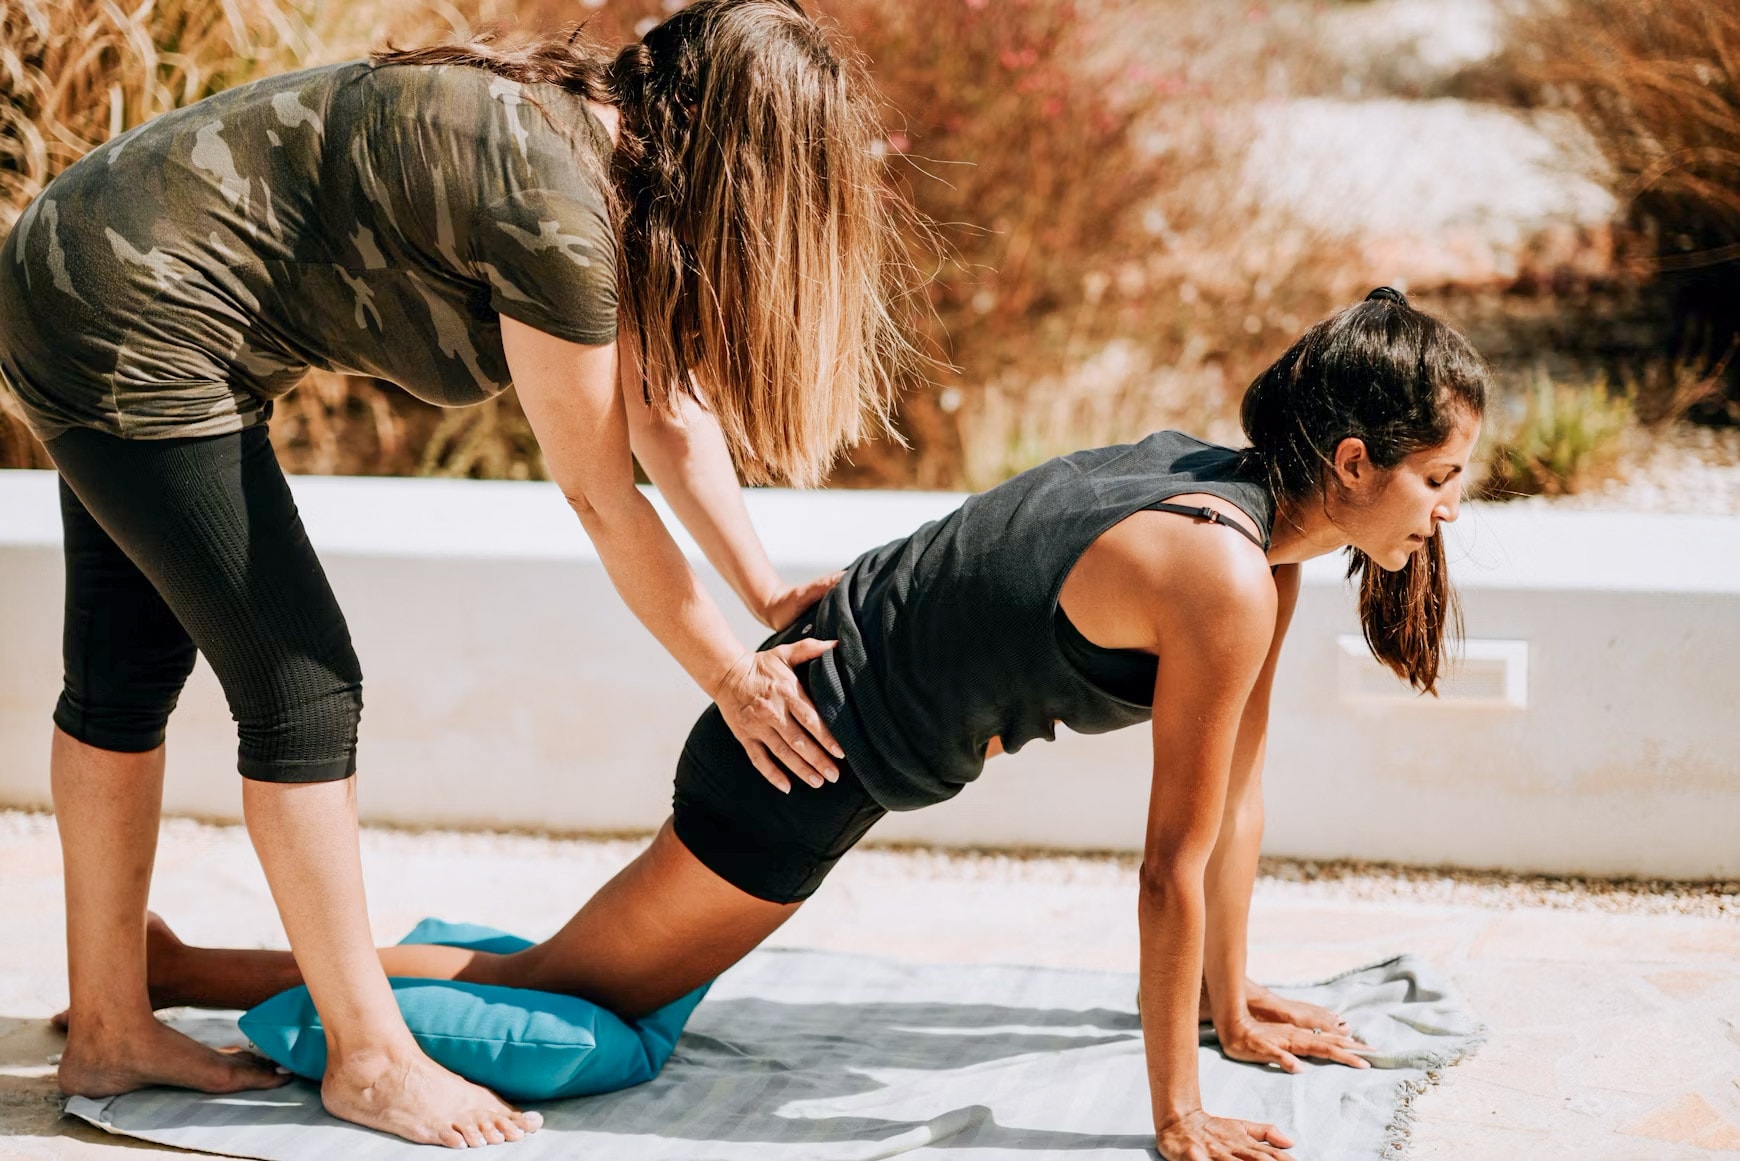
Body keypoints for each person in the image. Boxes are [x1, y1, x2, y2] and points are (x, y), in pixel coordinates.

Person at [123, 289, 1488, 1159]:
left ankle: (195, 962)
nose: (1448, 507)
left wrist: (1230, 1004)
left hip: (823, 716)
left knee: (576, 968)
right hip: (799, 755)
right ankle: (185, 972)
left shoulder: (1254, 528)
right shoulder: (1224, 572)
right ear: (1354, 462)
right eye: (1439, 475)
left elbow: (1233, 805)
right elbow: (1167, 865)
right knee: (571, 987)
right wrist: (1177, 1109)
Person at [0, 0, 917, 1146]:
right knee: (303, 686)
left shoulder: (603, 157)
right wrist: (734, 676)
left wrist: (767, 594)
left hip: (89, 264)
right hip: (128, 302)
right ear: (742, 157)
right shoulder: (559, 209)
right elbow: (598, 492)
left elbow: (664, 415)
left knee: (124, 674)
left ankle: (110, 1025)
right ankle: (372, 1058)